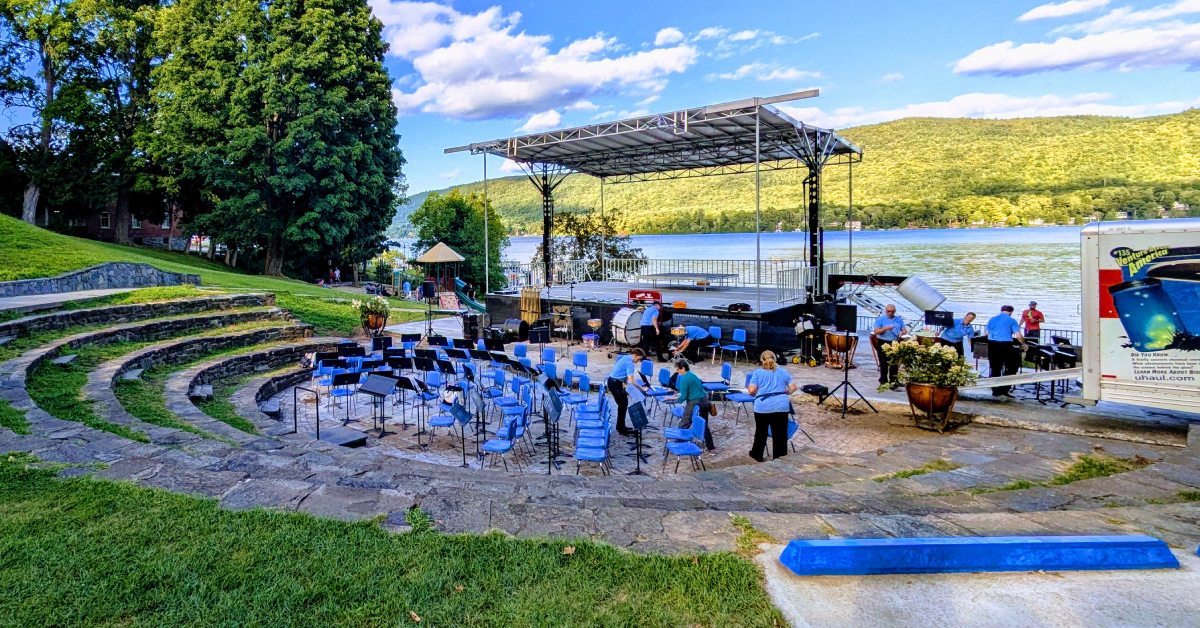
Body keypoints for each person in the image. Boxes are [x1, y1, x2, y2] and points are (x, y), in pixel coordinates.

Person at [747, 350, 797, 461]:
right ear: (775, 359)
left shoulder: (757, 373)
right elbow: (793, 387)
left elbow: (751, 390)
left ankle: (757, 454)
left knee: (761, 432)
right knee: (780, 434)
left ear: (761, 360)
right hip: (781, 406)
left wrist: (754, 391)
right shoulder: (783, 372)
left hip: (762, 407)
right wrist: (786, 392)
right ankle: (779, 457)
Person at [668, 360, 715, 451]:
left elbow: (684, 396)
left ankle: (680, 444)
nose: (677, 372)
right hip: (704, 401)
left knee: (685, 421)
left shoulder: (684, 378)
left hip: (695, 402)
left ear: (683, 369)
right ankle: (710, 446)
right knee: (703, 424)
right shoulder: (692, 375)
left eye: (678, 370)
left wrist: (674, 399)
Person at [986, 305, 1028, 398]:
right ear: (1011, 312)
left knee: (995, 368)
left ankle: (995, 391)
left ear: (1001, 310)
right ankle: (1004, 389)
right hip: (1005, 345)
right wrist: (1024, 344)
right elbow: (1018, 336)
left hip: (992, 344)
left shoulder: (992, 319)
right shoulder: (1012, 320)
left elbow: (987, 333)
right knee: (1013, 365)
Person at [607, 347, 645, 436]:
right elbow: (631, 380)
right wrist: (642, 389)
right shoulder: (630, 363)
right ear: (635, 355)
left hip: (614, 382)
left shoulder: (626, 357)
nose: (638, 361)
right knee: (623, 405)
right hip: (615, 383)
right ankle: (621, 428)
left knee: (622, 405)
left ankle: (620, 426)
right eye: (639, 359)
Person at [873, 304, 907, 388]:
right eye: (889, 311)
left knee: (894, 364)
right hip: (883, 342)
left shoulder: (899, 319)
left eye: (892, 311)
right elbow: (876, 331)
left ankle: (894, 381)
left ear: (895, 311)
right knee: (883, 363)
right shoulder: (880, 319)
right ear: (886, 311)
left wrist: (902, 332)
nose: (890, 313)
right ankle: (883, 381)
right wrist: (885, 328)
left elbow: (904, 330)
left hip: (895, 342)